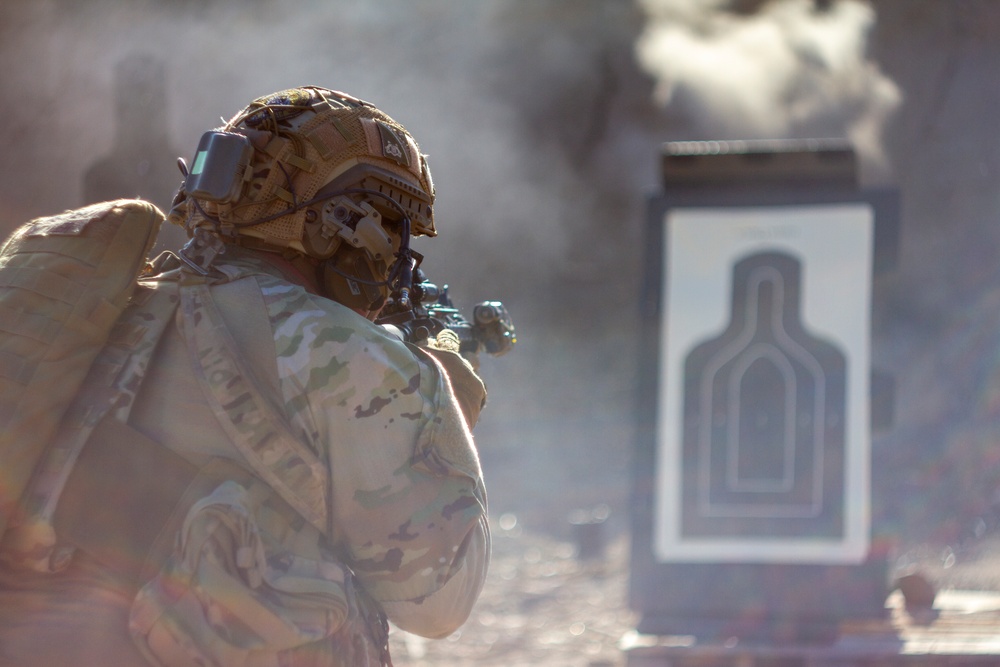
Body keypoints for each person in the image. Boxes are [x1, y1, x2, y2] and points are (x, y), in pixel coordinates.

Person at [0, 86, 490, 666]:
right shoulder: (350, 355)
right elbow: (438, 601)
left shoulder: (112, 306)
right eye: (392, 228)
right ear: (344, 224)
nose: (395, 258)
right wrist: (440, 405)